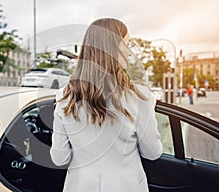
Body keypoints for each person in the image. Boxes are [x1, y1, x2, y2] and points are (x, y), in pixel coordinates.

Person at [50, 18, 162, 192]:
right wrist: (148, 106)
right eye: (127, 44)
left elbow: (59, 158)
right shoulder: (140, 97)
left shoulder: (64, 97)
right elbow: (152, 153)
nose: (130, 52)